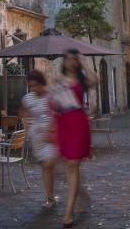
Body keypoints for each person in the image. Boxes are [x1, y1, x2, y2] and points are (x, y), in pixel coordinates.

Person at [52, 50, 93, 228]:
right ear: (64, 61)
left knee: (72, 165)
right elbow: (52, 103)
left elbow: (95, 80)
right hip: (63, 123)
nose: (70, 61)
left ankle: (68, 212)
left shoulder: (82, 80)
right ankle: (79, 192)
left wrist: (84, 62)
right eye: (67, 58)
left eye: (73, 58)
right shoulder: (57, 80)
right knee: (67, 165)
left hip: (78, 123)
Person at [20, 70, 59, 208]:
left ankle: (58, 189)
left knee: (48, 164)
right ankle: (50, 198)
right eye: (31, 86)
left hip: (52, 135)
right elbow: (23, 114)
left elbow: (60, 113)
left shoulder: (52, 95)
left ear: (42, 83)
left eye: (36, 85)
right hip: (37, 138)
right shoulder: (27, 98)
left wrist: (52, 127)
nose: (34, 89)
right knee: (46, 167)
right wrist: (27, 125)